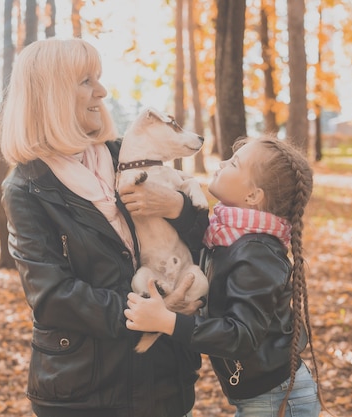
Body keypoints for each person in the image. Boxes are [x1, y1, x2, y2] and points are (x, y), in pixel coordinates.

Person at [0, 38, 209, 417]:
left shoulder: (123, 157)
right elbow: (53, 296)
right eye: (86, 81)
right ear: (51, 96)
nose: (102, 91)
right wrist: (143, 314)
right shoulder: (27, 188)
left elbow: (201, 243)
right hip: (87, 390)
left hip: (165, 376)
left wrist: (178, 209)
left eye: (98, 78)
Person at [125, 135, 324, 417]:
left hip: (276, 400)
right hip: (264, 395)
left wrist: (168, 321)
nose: (221, 163)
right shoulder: (227, 236)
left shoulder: (256, 252)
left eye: (233, 164)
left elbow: (241, 336)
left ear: (253, 196)